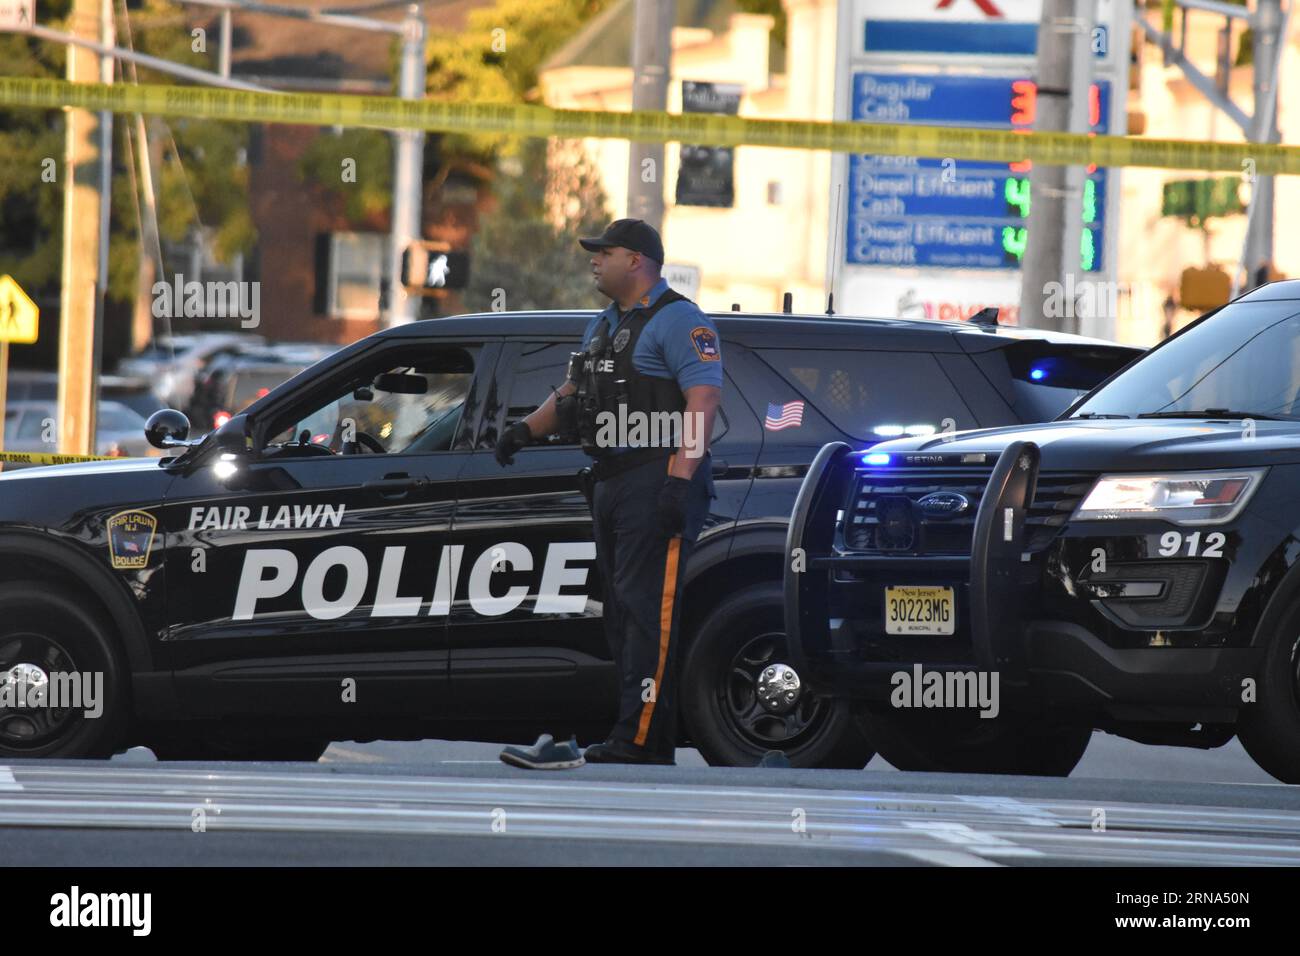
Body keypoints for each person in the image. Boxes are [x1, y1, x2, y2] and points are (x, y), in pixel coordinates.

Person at [495, 219, 722, 768]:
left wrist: (679, 480)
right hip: (613, 478)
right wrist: (526, 430)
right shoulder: (603, 325)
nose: (594, 260)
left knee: (649, 613)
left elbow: (703, 402)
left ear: (638, 261)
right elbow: (574, 392)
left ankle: (640, 739)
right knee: (621, 612)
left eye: (606, 251)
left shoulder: (679, 321)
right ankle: (638, 735)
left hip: (657, 478)